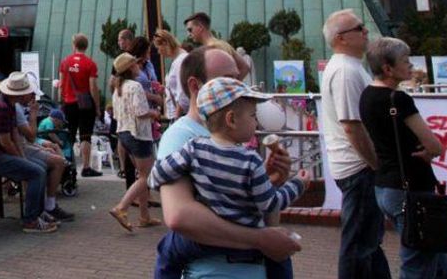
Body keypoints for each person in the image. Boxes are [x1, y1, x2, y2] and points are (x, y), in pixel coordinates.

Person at [156, 46, 302, 277]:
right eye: (228, 79)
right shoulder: (181, 136)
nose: (239, 86)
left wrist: (268, 181)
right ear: (196, 86)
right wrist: (260, 239)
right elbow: (179, 215)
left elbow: (262, 212)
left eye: (238, 78)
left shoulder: (230, 136)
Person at [360, 37, 447, 278]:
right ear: (388, 68)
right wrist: (431, 150)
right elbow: (434, 145)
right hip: (411, 187)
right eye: (405, 60)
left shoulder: (367, 96)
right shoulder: (398, 99)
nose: (410, 65)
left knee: (436, 258)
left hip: (385, 185)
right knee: (417, 264)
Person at [319, 9, 389, 279]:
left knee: (368, 241)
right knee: (359, 244)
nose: (365, 31)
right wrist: (375, 163)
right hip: (358, 168)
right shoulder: (346, 71)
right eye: (359, 28)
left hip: (358, 167)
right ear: (341, 38)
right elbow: (352, 125)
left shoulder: (349, 67)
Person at [0, 72, 56, 233]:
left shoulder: (8, 105)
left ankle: (38, 213)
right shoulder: (2, 108)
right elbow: (6, 142)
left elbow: (14, 135)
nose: (31, 95)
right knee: (36, 172)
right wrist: (21, 158)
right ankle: (31, 220)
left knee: (39, 168)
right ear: (20, 94)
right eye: (29, 92)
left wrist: (23, 158)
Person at [109, 52, 161, 230]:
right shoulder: (136, 86)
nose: (139, 66)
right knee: (145, 177)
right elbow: (140, 112)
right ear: (131, 67)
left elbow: (116, 114)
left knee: (141, 174)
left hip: (124, 134)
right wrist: (154, 113)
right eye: (136, 63)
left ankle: (144, 216)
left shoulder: (118, 88)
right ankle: (121, 207)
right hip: (138, 134)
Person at [58, 33, 100, 177]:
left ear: (74, 45)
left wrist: (61, 100)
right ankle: (86, 167)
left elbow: (61, 84)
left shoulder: (65, 62)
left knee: (69, 135)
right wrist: (97, 106)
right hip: (85, 104)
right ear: (86, 46)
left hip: (68, 103)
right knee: (85, 135)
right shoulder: (90, 64)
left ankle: (69, 165)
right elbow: (93, 87)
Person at [185, 12, 251, 79]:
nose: (189, 34)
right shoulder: (224, 44)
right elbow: (245, 67)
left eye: (190, 30)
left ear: (200, 27)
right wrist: (232, 85)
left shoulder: (210, 48)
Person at [154, 29, 190, 119]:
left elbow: (182, 93)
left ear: (165, 43)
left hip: (179, 115)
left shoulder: (180, 61)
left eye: (158, 47)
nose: (159, 52)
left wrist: (177, 118)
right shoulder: (178, 60)